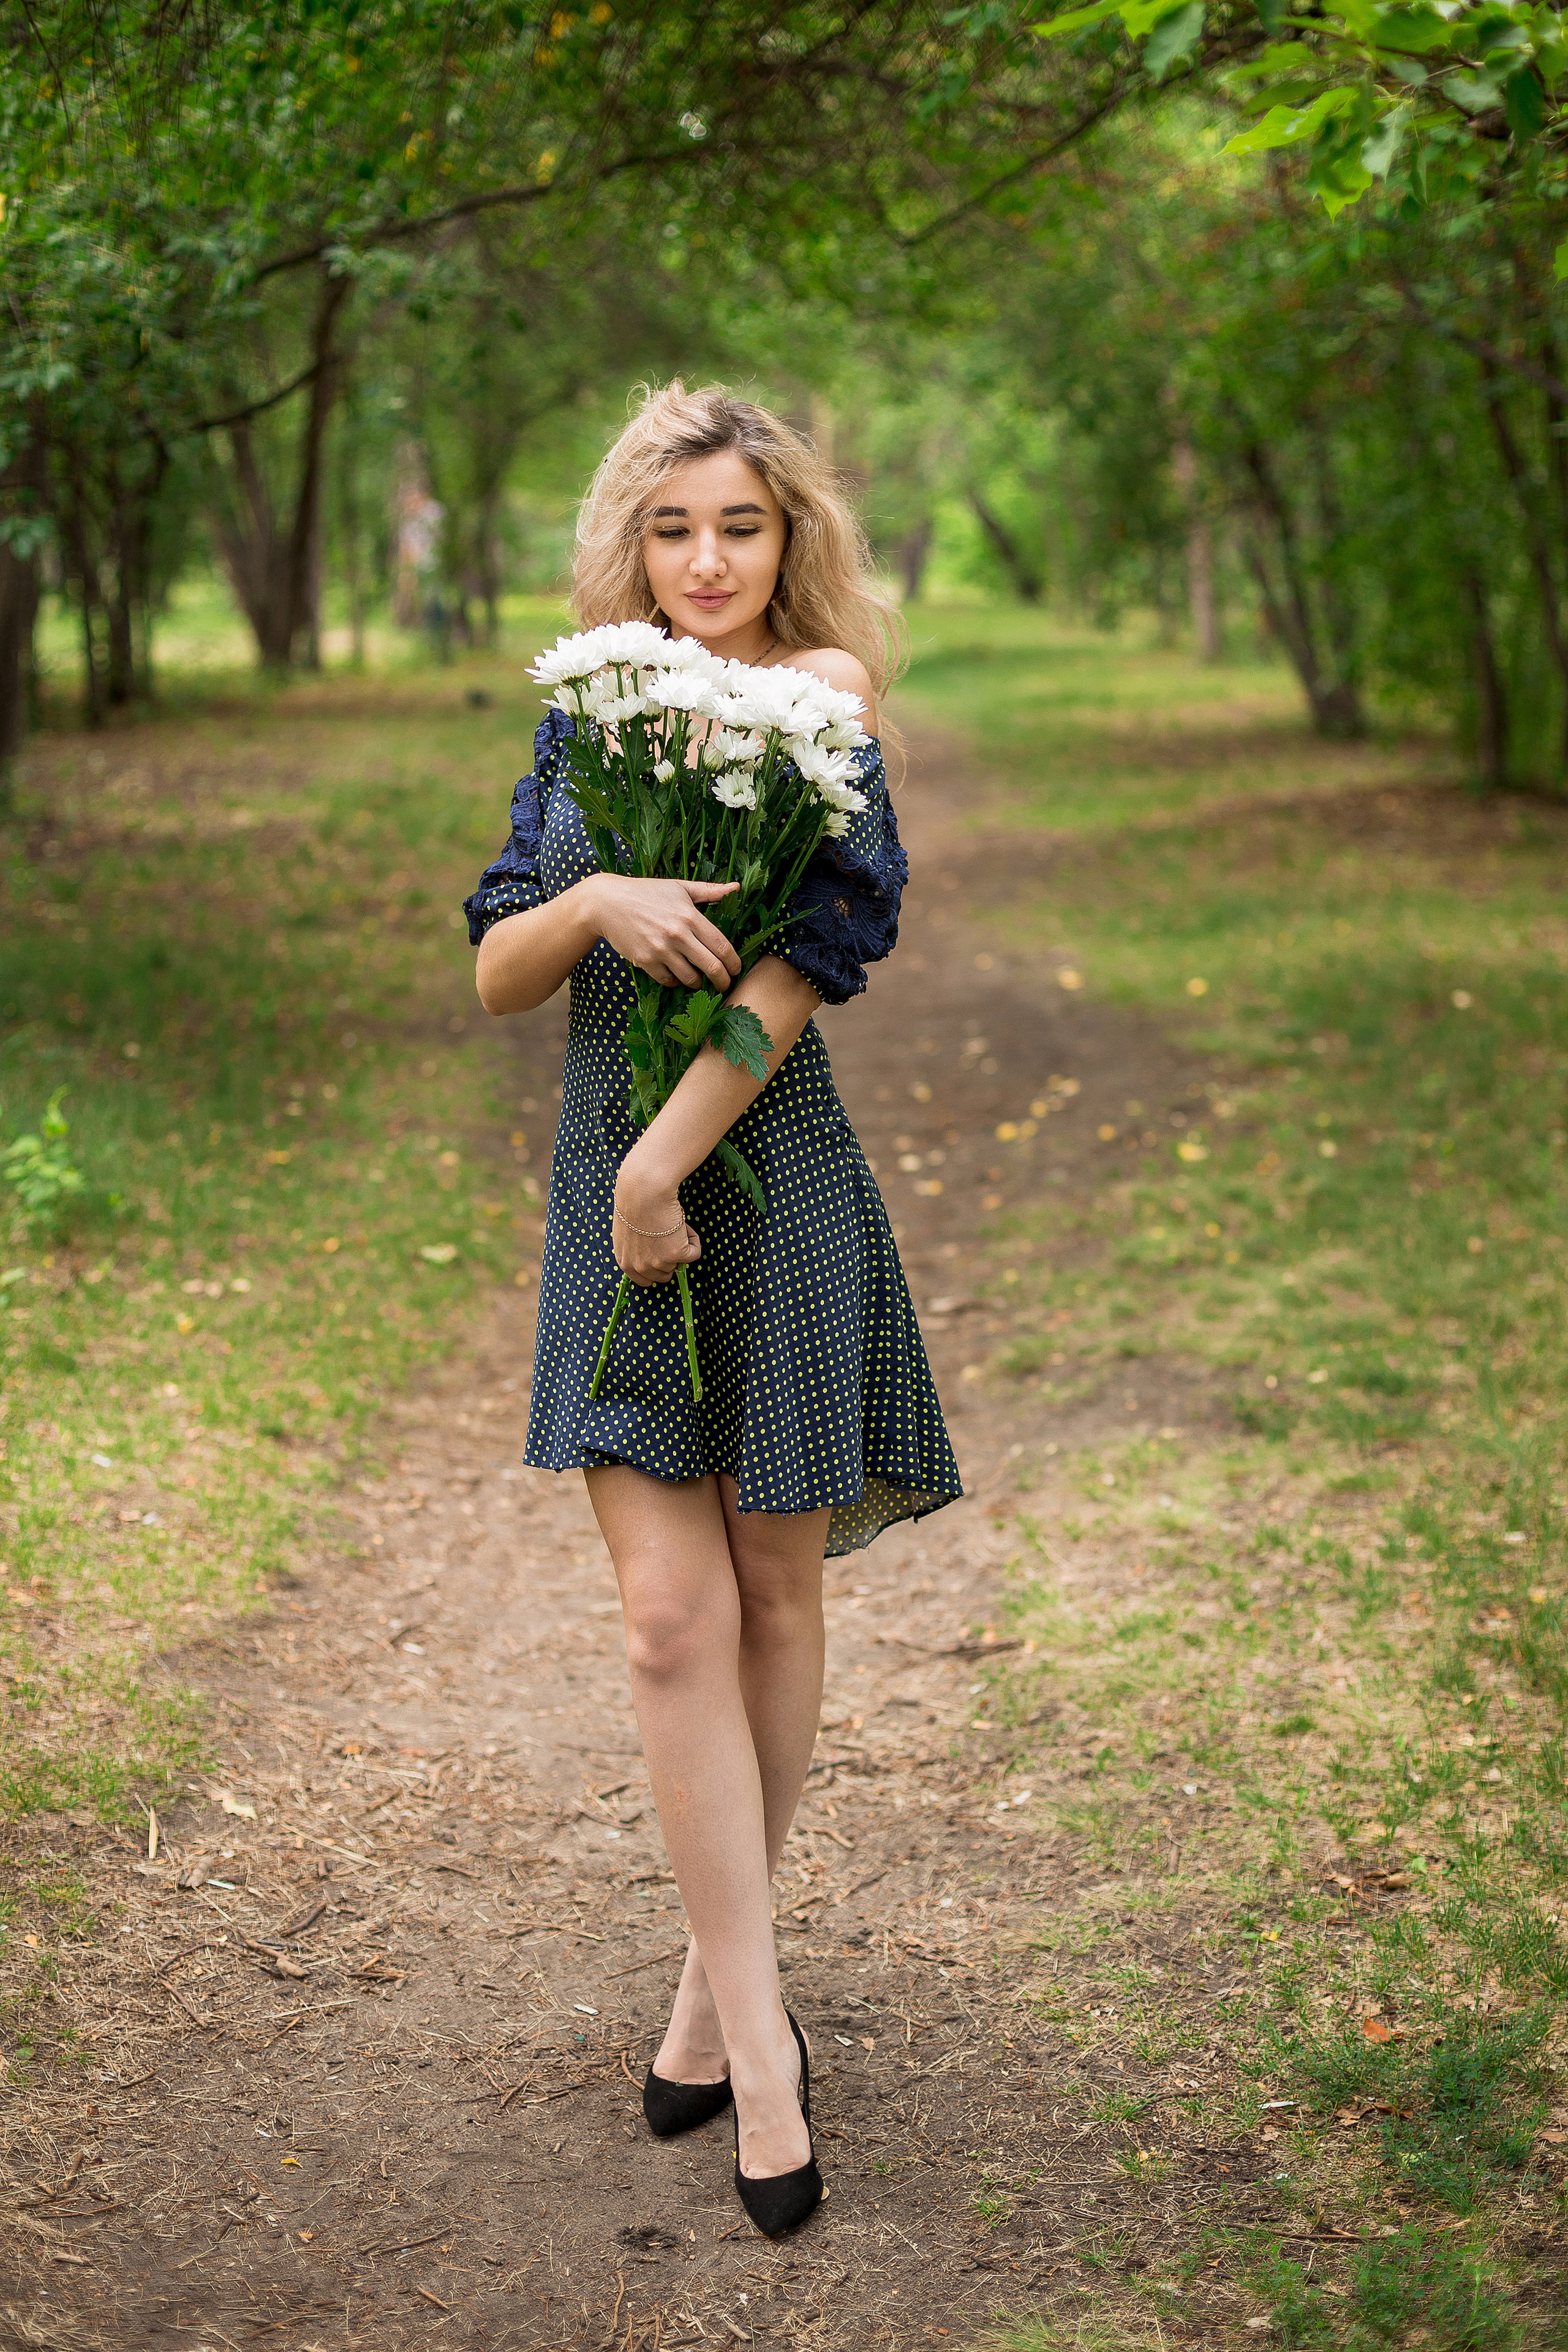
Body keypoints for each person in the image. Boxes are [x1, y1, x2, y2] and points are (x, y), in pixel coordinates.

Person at [464, 382, 960, 2236]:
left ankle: (704, 1989)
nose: (706, 564)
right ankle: (762, 2033)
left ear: (791, 536)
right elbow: (500, 970)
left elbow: (812, 964)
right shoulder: (586, 714)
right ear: (631, 545)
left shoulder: (825, 715)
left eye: (739, 528)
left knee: (772, 1588)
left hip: (756, 1176)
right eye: (673, 531)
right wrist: (593, 891)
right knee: (670, 1626)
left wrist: (665, 1163)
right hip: (618, 1193)